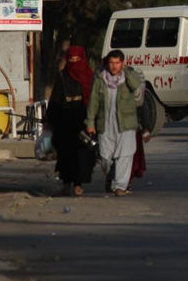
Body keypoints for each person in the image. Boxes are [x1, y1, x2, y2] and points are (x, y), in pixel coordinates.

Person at [86, 50, 143, 196]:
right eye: (111, 63)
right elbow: (93, 102)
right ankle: (111, 175)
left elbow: (136, 86)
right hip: (105, 123)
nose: (114, 66)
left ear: (122, 63)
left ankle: (120, 187)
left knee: (125, 155)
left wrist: (127, 72)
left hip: (126, 123)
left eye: (117, 63)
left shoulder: (128, 77)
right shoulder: (100, 79)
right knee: (105, 156)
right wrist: (90, 122)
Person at [45, 45, 96, 197]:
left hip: (84, 122)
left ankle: (78, 183)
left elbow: (95, 100)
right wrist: (49, 120)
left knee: (83, 155)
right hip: (64, 123)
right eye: (71, 60)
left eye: (77, 60)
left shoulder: (90, 77)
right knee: (66, 155)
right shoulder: (62, 77)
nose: (75, 63)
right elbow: (55, 100)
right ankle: (67, 182)